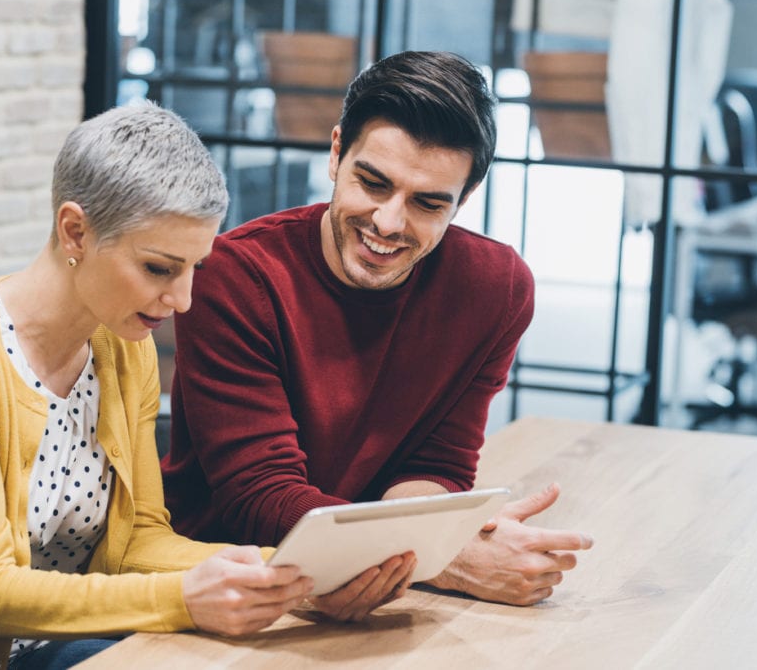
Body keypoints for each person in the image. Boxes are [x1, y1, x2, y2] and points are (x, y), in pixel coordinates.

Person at [0, 104, 405, 670]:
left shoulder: (124, 347)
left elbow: (137, 541)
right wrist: (182, 599)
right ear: (75, 230)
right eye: (158, 269)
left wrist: (295, 572)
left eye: (194, 266)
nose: (184, 300)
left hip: (66, 646)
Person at [162, 51, 593, 609]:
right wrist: (444, 556)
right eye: (373, 183)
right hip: (236, 580)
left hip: (380, 589)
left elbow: (435, 466)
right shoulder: (236, 277)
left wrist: (415, 548)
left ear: (466, 198)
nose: (388, 223)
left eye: (428, 203)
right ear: (337, 152)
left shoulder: (496, 289)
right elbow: (261, 498)